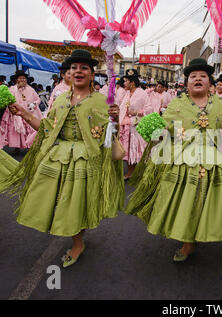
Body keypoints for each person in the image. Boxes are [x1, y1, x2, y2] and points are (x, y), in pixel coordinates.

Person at [125, 58, 222, 262]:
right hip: (183, 161)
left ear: (210, 82)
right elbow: (165, 129)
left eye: (202, 76)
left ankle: (207, 230)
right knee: (186, 202)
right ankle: (188, 242)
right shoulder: (177, 104)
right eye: (193, 76)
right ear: (187, 83)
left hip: (216, 162)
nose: (197, 79)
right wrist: (155, 131)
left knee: (212, 202)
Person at [0, 49, 124, 268]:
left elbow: (108, 139)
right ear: (68, 73)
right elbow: (47, 129)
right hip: (59, 158)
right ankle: (76, 238)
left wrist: (114, 120)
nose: (78, 71)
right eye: (74, 67)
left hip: (87, 159)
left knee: (78, 202)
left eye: (84, 68)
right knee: (61, 201)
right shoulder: (60, 101)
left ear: (91, 74)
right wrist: (24, 113)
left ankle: (78, 240)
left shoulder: (101, 101)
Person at [119, 69, 152, 180]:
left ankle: (140, 172)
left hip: (138, 126)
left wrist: (137, 113)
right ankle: (130, 172)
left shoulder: (142, 94)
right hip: (127, 126)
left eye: (126, 81)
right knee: (128, 150)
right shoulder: (127, 93)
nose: (124, 83)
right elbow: (122, 108)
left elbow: (149, 109)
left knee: (138, 151)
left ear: (132, 82)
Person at [0, 70, 42, 151]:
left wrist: (34, 104)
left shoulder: (31, 89)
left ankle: (30, 146)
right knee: (18, 131)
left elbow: (38, 99)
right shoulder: (12, 89)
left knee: (30, 130)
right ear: (16, 80)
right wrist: (18, 88)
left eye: (24, 78)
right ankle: (17, 147)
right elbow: (9, 99)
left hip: (29, 113)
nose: (23, 80)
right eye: (20, 78)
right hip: (17, 113)